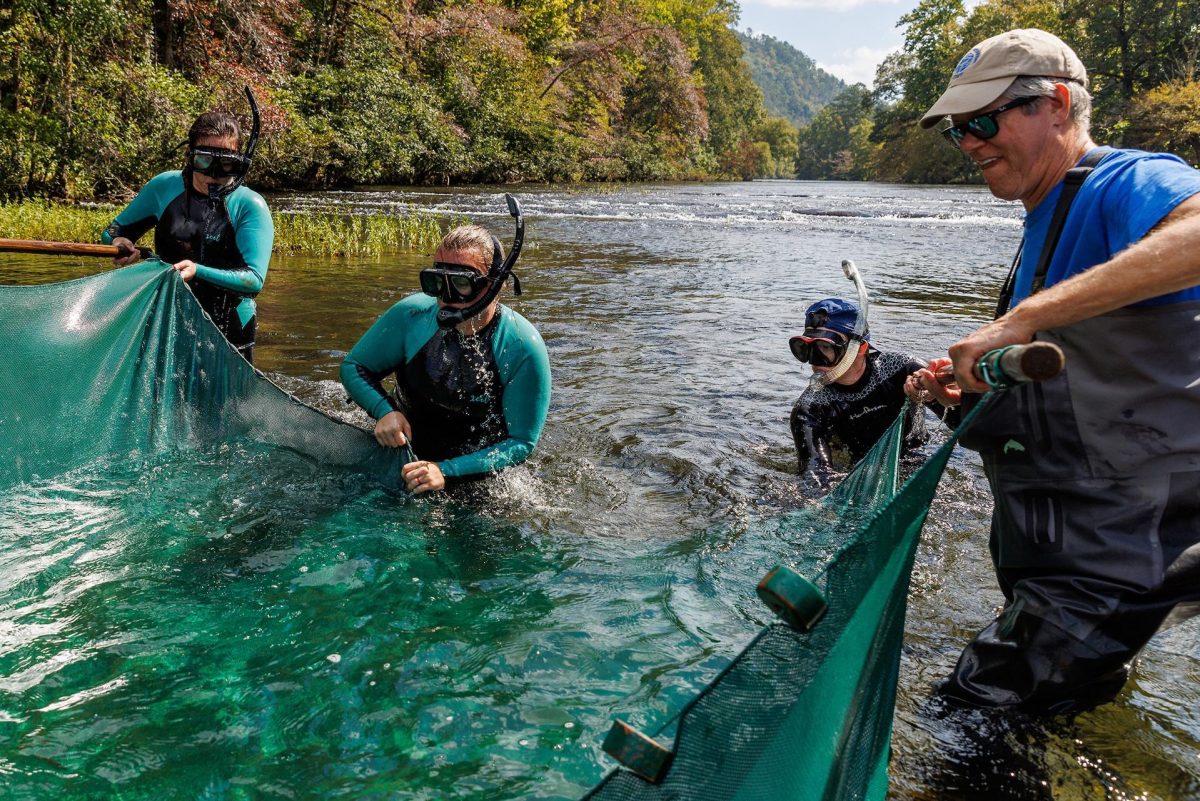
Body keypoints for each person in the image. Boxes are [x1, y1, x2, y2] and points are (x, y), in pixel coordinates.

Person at [907, 28, 1200, 713]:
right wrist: (964, 389)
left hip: (1125, 549)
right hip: (1069, 553)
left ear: (1059, 105)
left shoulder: (1126, 181)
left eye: (984, 120)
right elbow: (1072, 381)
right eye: (958, 130)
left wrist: (1025, 315)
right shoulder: (1041, 216)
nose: (970, 142)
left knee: (968, 717)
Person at [340, 224, 551, 495]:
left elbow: (521, 442)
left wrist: (446, 470)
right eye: (438, 283)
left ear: (496, 284)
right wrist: (385, 411)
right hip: (406, 452)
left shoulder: (522, 347)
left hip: (476, 473)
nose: (447, 299)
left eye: (462, 284)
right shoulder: (411, 316)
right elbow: (354, 367)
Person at [102, 105, 273, 363]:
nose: (213, 175)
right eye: (204, 161)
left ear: (239, 162)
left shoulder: (250, 205)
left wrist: (198, 270)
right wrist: (118, 241)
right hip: (168, 319)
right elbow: (114, 230)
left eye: (226, 164)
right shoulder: (164, 187)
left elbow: (254, 280)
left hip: (230, 329)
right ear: (189, 156)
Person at [790, 297, 953, 486]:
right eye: (807, 349)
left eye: (825, 347)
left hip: (918, 454)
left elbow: (961, 422)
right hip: (860, 470)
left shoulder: (904, 369)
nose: (814, 361)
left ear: (860, 348)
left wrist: (933, 396)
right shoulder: (809, 409)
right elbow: (815, 477)